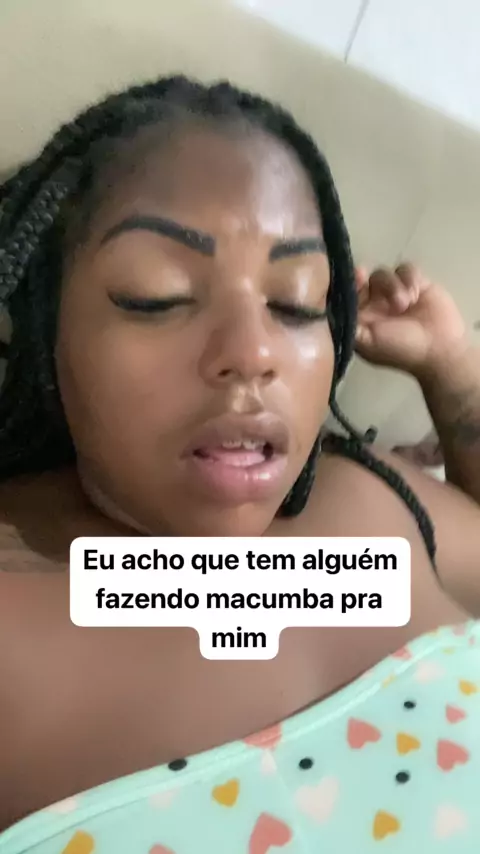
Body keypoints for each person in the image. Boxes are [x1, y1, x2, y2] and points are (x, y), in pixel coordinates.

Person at [0, 75, 479, 852]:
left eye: (296, 302)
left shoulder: (379, 500)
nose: (254, 353)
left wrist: (452, 371)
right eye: (157, 296)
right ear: (46, 323)